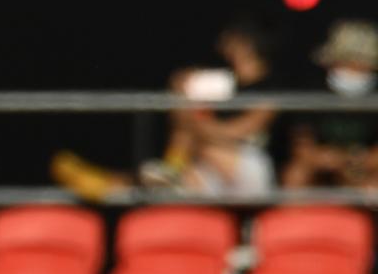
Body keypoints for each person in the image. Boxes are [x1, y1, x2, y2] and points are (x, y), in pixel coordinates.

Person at [143, 20, 281, 197]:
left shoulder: (271, 88)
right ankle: (171, 171)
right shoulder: (218, 81)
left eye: (231, 39)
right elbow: (181, 119)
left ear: (247, 44)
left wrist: (195, 123)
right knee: (174, 184)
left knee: (201, 145)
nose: (223, 44)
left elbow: (238, 131)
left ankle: (171, 169)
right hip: (208, 167)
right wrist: (183, 90)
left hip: (250, 166)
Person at [282, 20, 378, 188]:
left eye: (363, 63)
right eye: (349, 61)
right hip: (322, 164)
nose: (355, 68)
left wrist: (355, 161)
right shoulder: (314, 92)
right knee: (295, 175)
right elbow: (301, 147)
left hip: (362, 168)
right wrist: (328, 159)